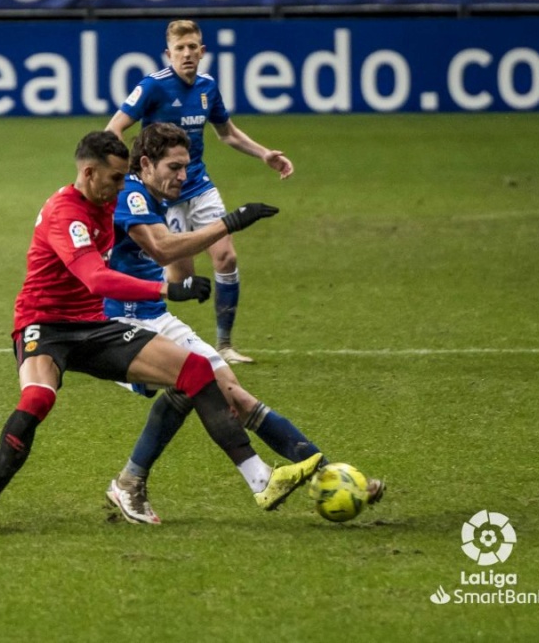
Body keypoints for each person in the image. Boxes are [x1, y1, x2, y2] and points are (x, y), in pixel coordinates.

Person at [0, 130, 322, 534]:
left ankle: (261, 480)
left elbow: (157, 245)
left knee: (195, 371)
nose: (122, 186)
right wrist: (167, 288)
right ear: (89, 173)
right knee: (37, 399)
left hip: (94, 327)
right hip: (45, 326)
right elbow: (96, 279)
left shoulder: (107, 202)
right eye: (115, 178)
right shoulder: (66, 213)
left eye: (126, 178)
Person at [103, 122, 385, 525]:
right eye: (175, 167)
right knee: (207, 385)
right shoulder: (130, 195)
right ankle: (310, 476)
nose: (184, 176)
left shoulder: (155, 193)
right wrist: (230, 223)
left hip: (154, 317)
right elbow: (162, 247)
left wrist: (178, 281)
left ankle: (130, 481)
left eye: (186, 167)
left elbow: (163, 258)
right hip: (118, 326)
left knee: (227, 389)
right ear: (146, 164)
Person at [105, 19, 294, 366]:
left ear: (202, 51)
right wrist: (127, 176)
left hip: (200, 186)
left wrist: (265, 153)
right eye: (180, 49)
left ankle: (224, 344)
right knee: (181, 277)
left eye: (193, 47)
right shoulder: (153, 86)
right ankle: (133, 315)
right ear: (168, 54)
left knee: (227, 258)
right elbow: (114, 127)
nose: (187, 54)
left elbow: (228, 134)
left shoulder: (207, 87)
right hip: (166, 194)